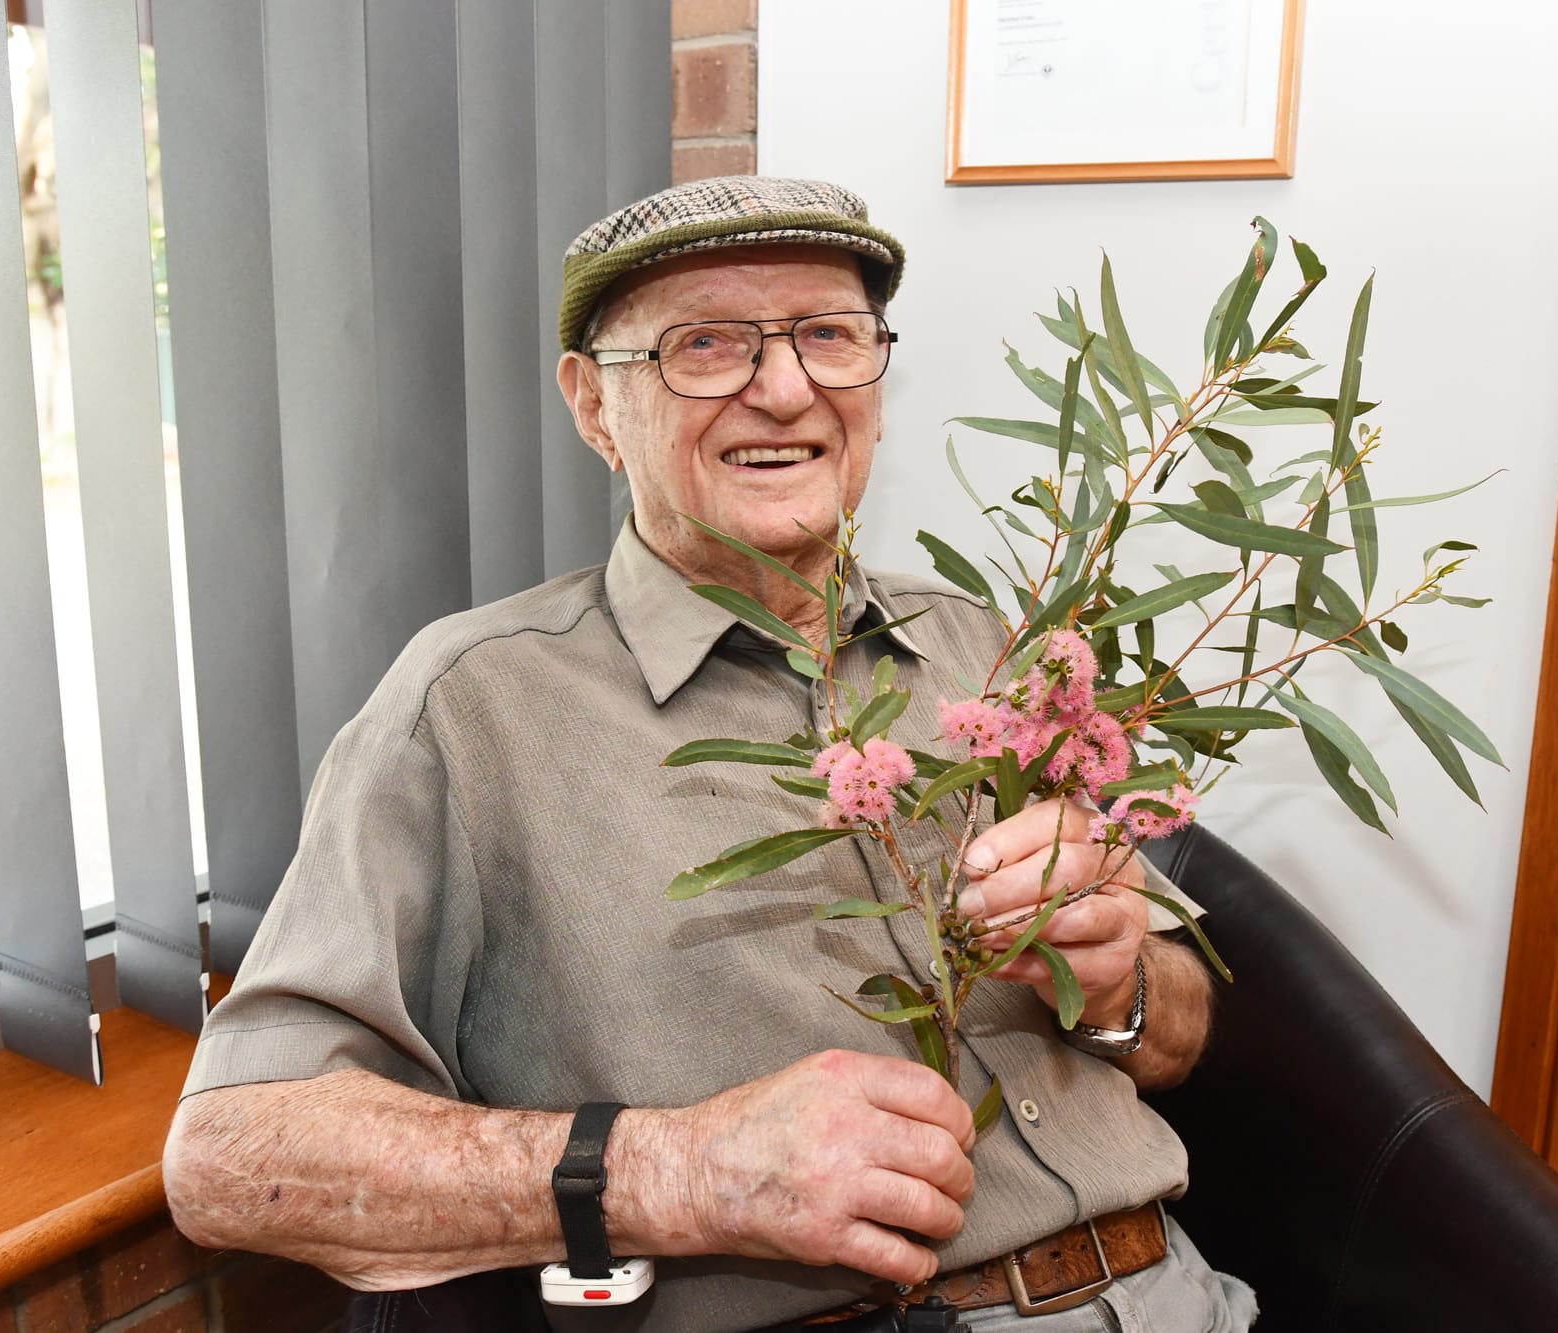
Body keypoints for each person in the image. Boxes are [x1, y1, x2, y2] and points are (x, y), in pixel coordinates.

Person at [162, 176, 1258, 1333]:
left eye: (828, 337)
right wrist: (680, 1169)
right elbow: (232, 1157)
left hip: (1180, 1298)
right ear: (593, 406)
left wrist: (1119, 975)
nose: (783, 390)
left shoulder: (984, 646)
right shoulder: (469, 709)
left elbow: (1180, 1030)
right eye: (705, 345)